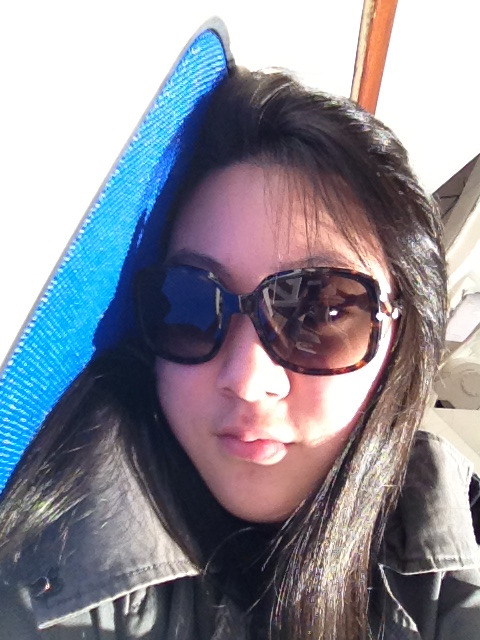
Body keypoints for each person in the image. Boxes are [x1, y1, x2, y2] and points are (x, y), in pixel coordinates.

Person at [1, 53, 479, 640]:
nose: (248, 379)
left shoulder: (453, 570)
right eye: (190, 303)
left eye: (320, 311)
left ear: (400, 335)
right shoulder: (49, 583)